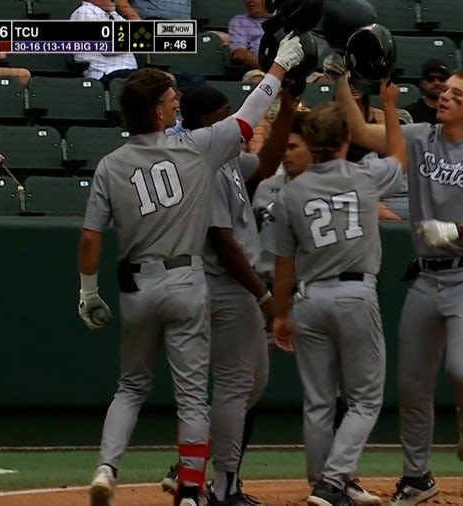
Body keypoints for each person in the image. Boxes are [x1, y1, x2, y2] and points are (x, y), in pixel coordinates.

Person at [77, 33, 304, 506]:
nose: (176, 100)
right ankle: (190, 490)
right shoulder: (194, 147)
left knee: (131, 386)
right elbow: (248, 116)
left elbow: (90, 237)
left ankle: (106, 466)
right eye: (170, 97)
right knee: (193, 396)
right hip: (186, 279)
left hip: (135, 285)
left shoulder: (110, 163)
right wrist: (280, 67)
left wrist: (87, 292)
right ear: (158, 111)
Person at [325, 54, 463, 505]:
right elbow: (361, 133)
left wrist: (456, 230)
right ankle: (416, 477)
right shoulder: (420, 137)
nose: (445, 96)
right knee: (411, 384)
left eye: (457, 94)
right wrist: (341, 83)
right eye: (444, 90)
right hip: (427, 277)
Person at [269, 80, 406, 506]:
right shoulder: (364, 178)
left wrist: (280, 314)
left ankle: (325, 485)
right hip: (354, 294)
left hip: (308, 299)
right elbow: (398, 156)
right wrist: (387, 104)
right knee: (365, 400)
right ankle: (333, 480)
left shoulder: (290, 192)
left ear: (309, 142)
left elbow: (283, 265)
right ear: (347, 138)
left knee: (317, 401)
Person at [157, 84, 295, 506]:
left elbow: (268, 163)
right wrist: (262, 295)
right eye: (223, 113)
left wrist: (288, 105)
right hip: (222, 283)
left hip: (231, 285)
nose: (236, 120)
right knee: (236, 385)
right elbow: (222, 241)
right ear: (204, 123)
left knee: (252, 381)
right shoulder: (206, 163)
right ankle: (223, 486)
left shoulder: (228, 159)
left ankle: (191, 467)